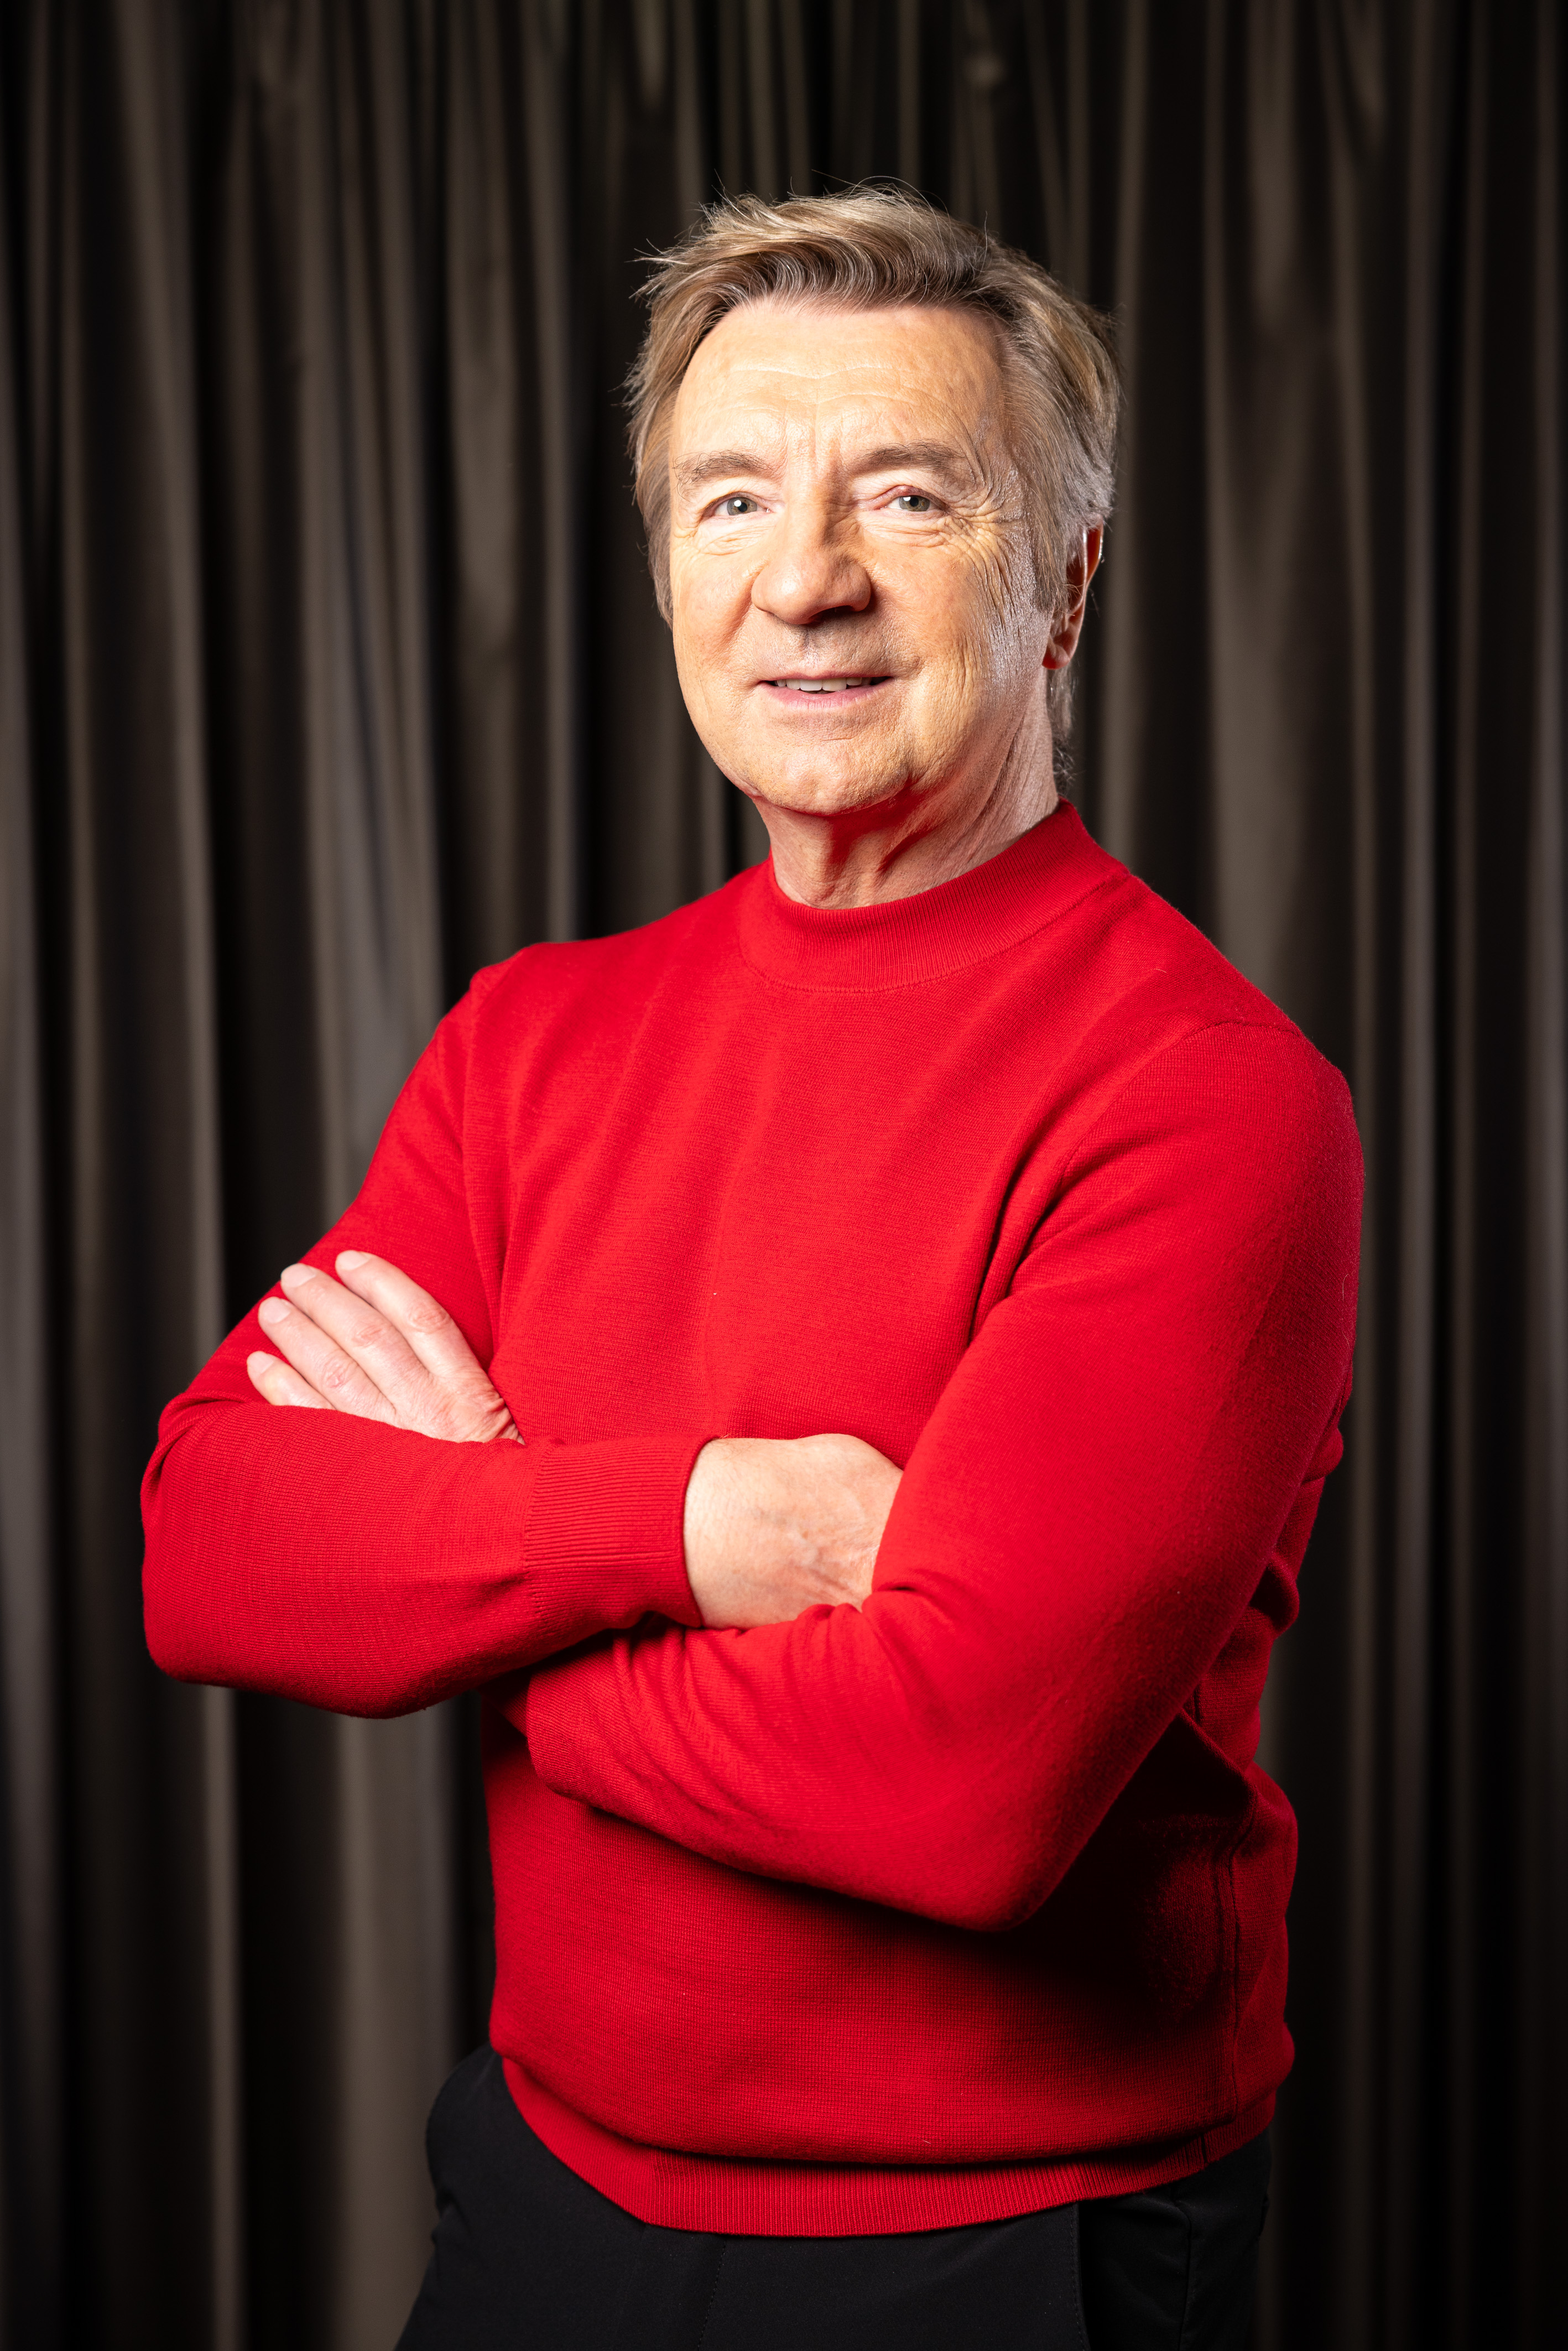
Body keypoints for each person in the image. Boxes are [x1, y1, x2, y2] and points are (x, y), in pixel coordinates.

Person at [143, 190, 1361, 2350]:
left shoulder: (1204, 1096)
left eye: (905, 493)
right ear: (668, 568)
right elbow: (212, 1544)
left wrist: (486, 1592)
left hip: (1011, 2255)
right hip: (539, 2192)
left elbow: (953, 1794)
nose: (803, 577)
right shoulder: (532, 1038)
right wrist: (686, 1518)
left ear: (1065, 580)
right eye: (732, 499)